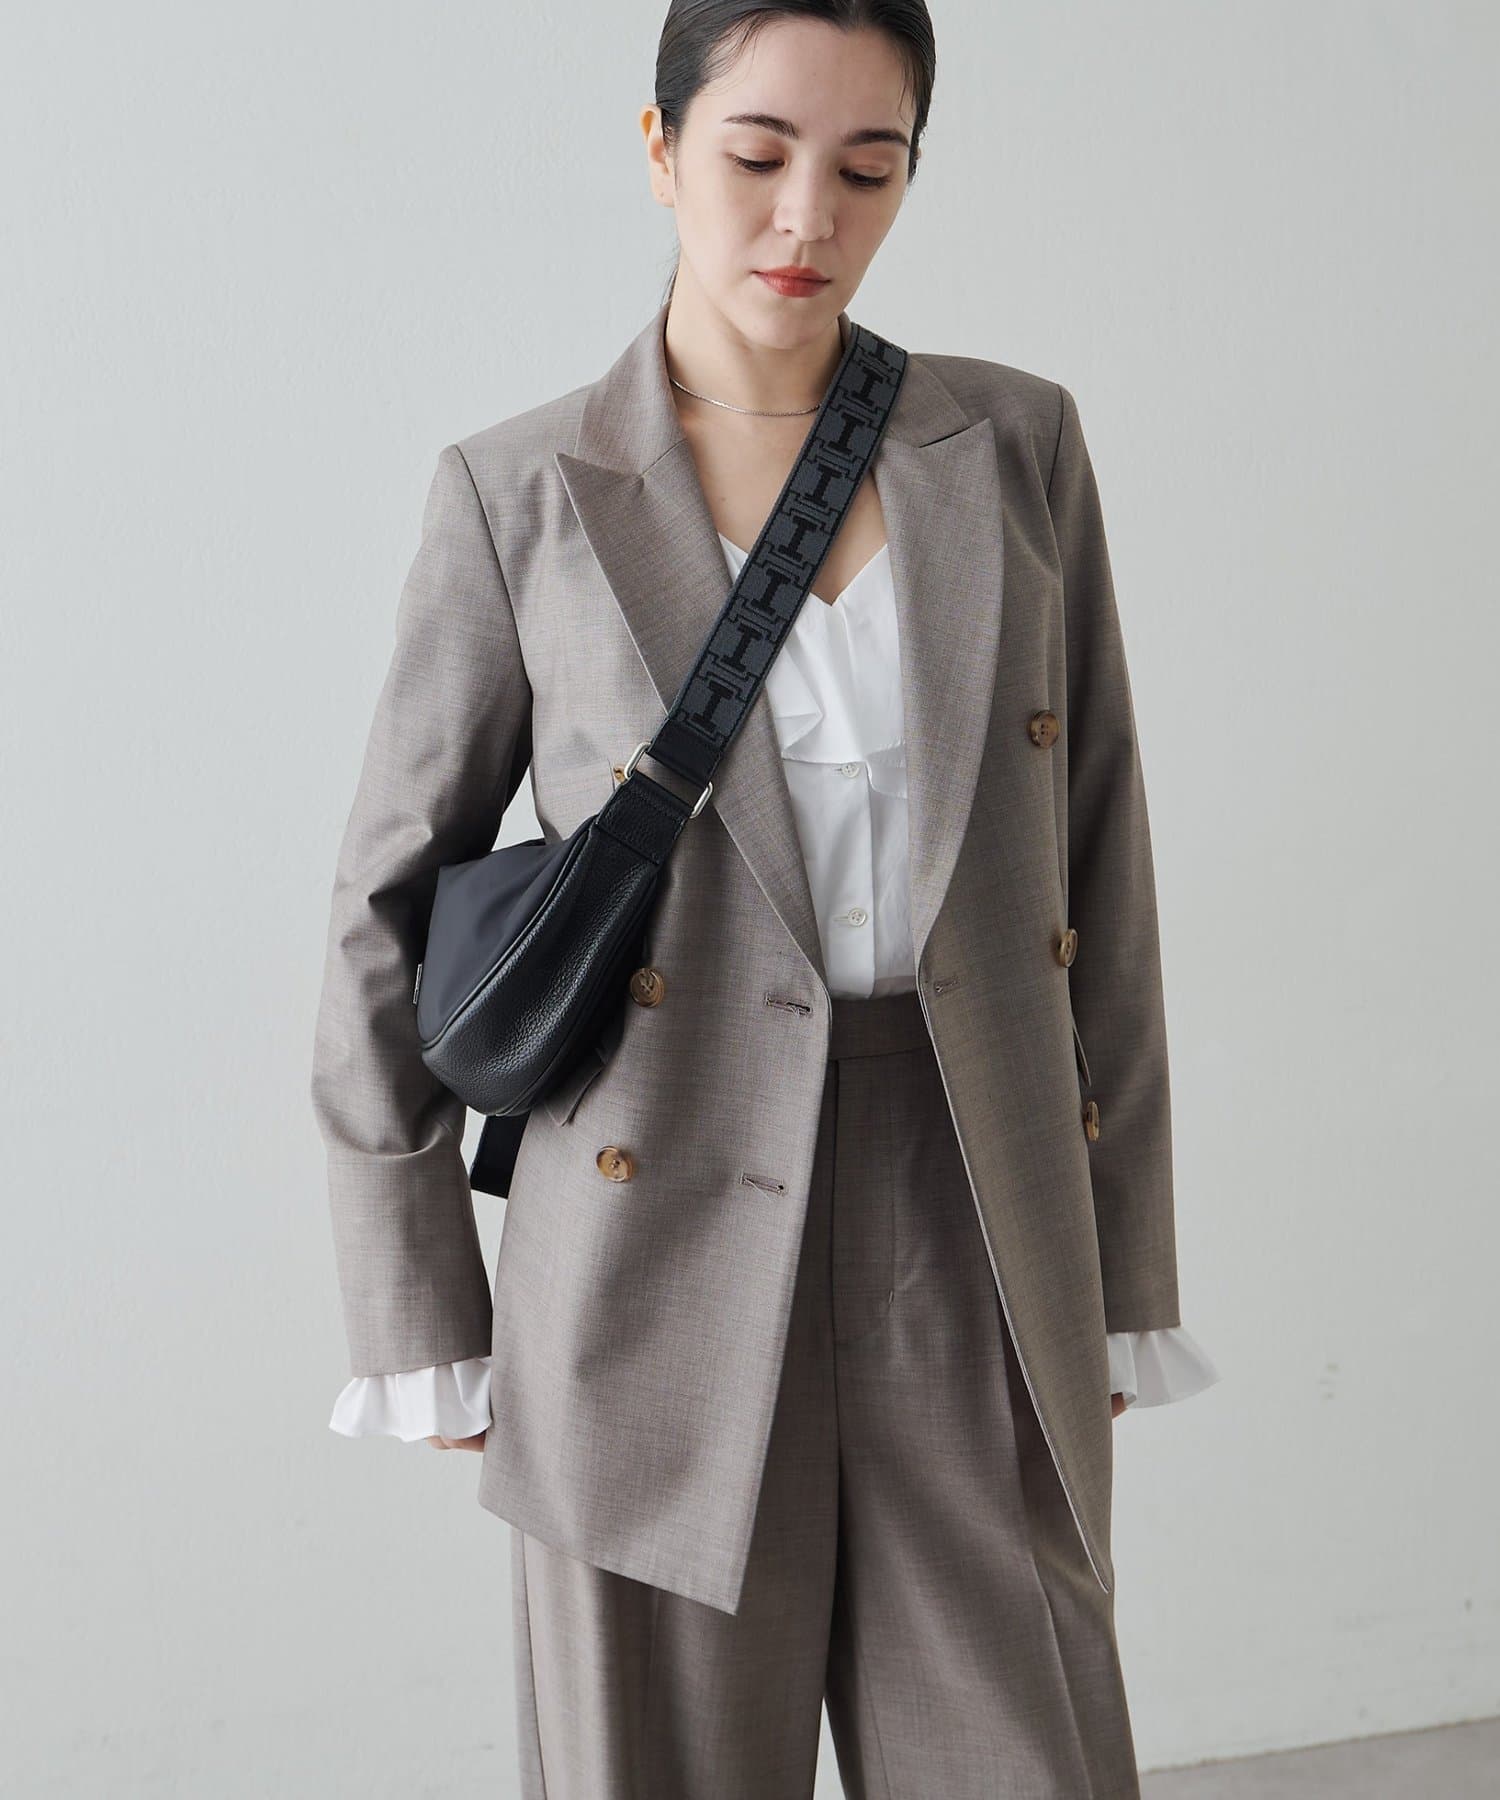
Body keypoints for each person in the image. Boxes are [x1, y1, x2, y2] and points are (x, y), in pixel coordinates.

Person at [310, 3, 1221, 1794]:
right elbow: (381, 912)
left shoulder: (1016, 445)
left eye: (869, 167)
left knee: (1021, 1748)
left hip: (973, 1199)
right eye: (757, 155)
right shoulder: (522, 492)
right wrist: (418, 1313)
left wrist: (1122, 1260)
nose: (809, 216)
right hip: (643, 1234)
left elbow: (1101, 866)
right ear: (660, 151)